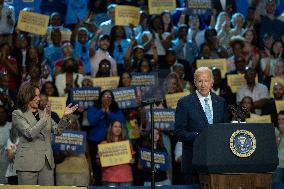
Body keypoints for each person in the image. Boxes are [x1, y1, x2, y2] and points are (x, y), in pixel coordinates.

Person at [12, 82, 78, 185]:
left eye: (39, 95)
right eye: (36, 96)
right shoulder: (18, 114)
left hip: (46, 163)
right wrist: (44, 118)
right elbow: (30, 133)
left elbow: (57, 131)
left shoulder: (44, 113)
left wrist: (65, 116)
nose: (39, 99)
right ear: (27, 95)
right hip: (28, 163)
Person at [174, 67, 229, 184]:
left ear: (212, 82)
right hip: (193, 163)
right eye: (200, 81)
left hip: (216, 162)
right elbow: (178, 132)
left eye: (206, 80)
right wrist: (198, 137)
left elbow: (225, 129)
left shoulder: (220, 102)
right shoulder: (184, 103)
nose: (203, 84)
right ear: (195, 83)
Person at [98, 120, 134, 186]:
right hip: (110, 178)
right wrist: (100, 158)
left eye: (120, 127)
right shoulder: (103, 144)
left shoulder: (127, 143)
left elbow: (133, 159)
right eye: (115, 126)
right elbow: (98, 162)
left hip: (125, 178)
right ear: (111, 128)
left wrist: (132, 160)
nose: (118, 129)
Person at [273, 110, 284, 183]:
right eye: (278, 119)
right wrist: (280, 133)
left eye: (283, 119)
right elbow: (273, 148)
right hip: (279, 165)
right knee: (277, 186)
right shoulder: (275, 130)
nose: (280, 121)